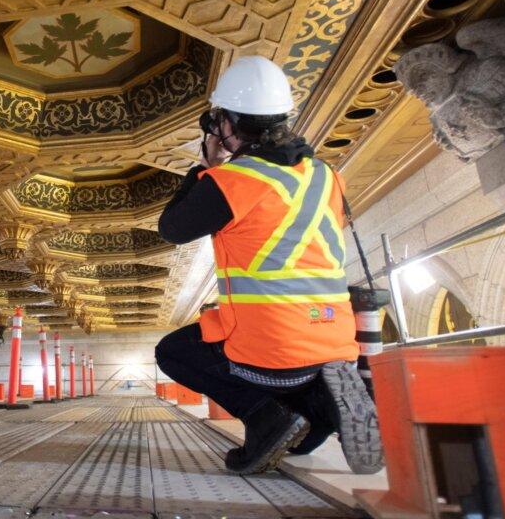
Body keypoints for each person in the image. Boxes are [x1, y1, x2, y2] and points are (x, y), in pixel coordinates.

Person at [155, 56, 382, 476]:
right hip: (332, 330)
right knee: (298, 441)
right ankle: (322, 410)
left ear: (227, 123)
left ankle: (263, 417)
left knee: (172, 353)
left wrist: (205, 168)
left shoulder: (234, 181)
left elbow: (171, 228)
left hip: (271, 337)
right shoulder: (326, 175)